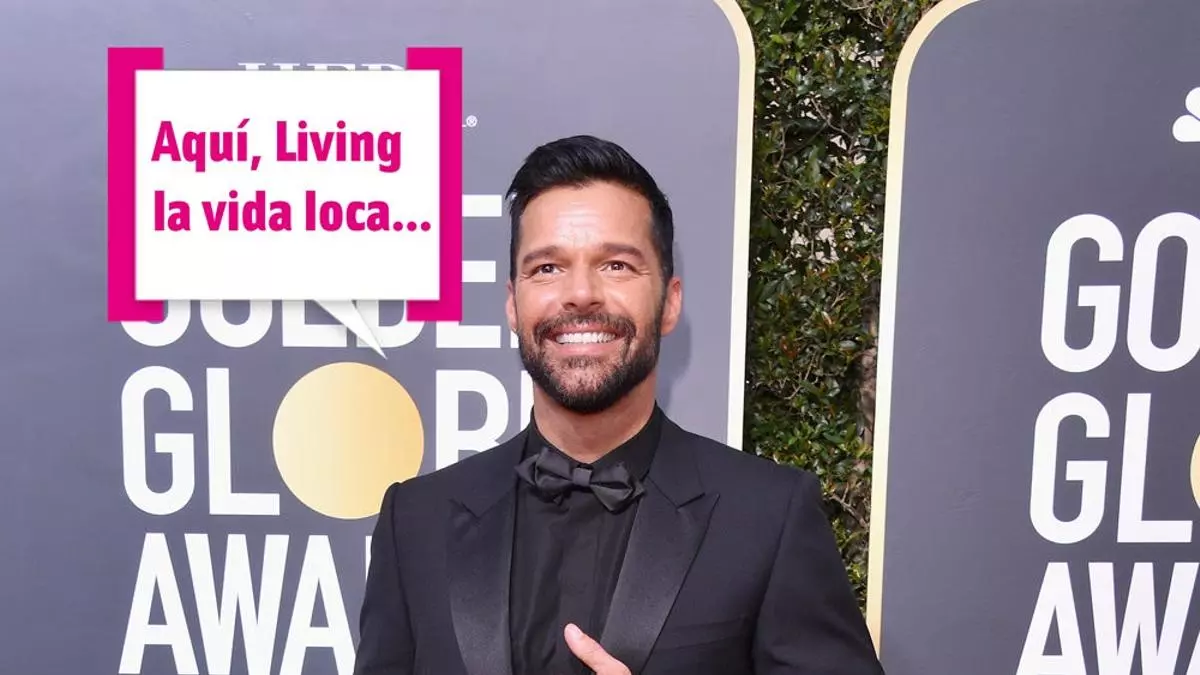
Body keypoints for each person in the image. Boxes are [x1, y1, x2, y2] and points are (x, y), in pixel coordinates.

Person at [353, 135, 884, 675]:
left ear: (670, 302)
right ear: (513, 304)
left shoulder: (769, 516)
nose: (581, 293)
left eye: (616, 266)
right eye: (547, 268)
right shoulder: (415, 521)